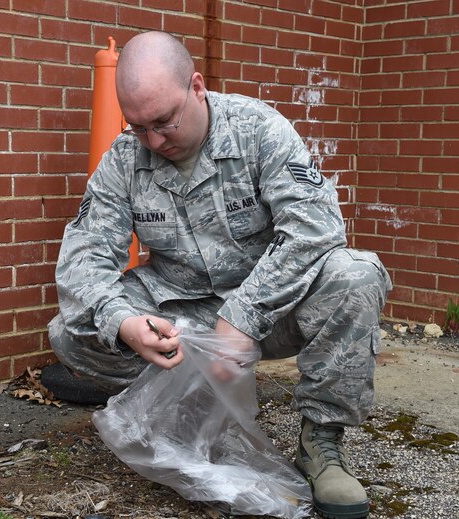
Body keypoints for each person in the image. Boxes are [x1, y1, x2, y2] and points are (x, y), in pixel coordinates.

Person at [47, 31, 391, 519]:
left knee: (354, 276)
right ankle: (176, 409)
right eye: (138, 126)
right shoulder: (125, 159)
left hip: (270, 313)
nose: (153, 141)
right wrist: (124, 322)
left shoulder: (258, 130)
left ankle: (321, 443)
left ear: (197, 86)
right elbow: (82, 260)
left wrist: (245, 314)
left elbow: (315, 228)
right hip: (184, 317)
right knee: (72, 333)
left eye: (164, 122)